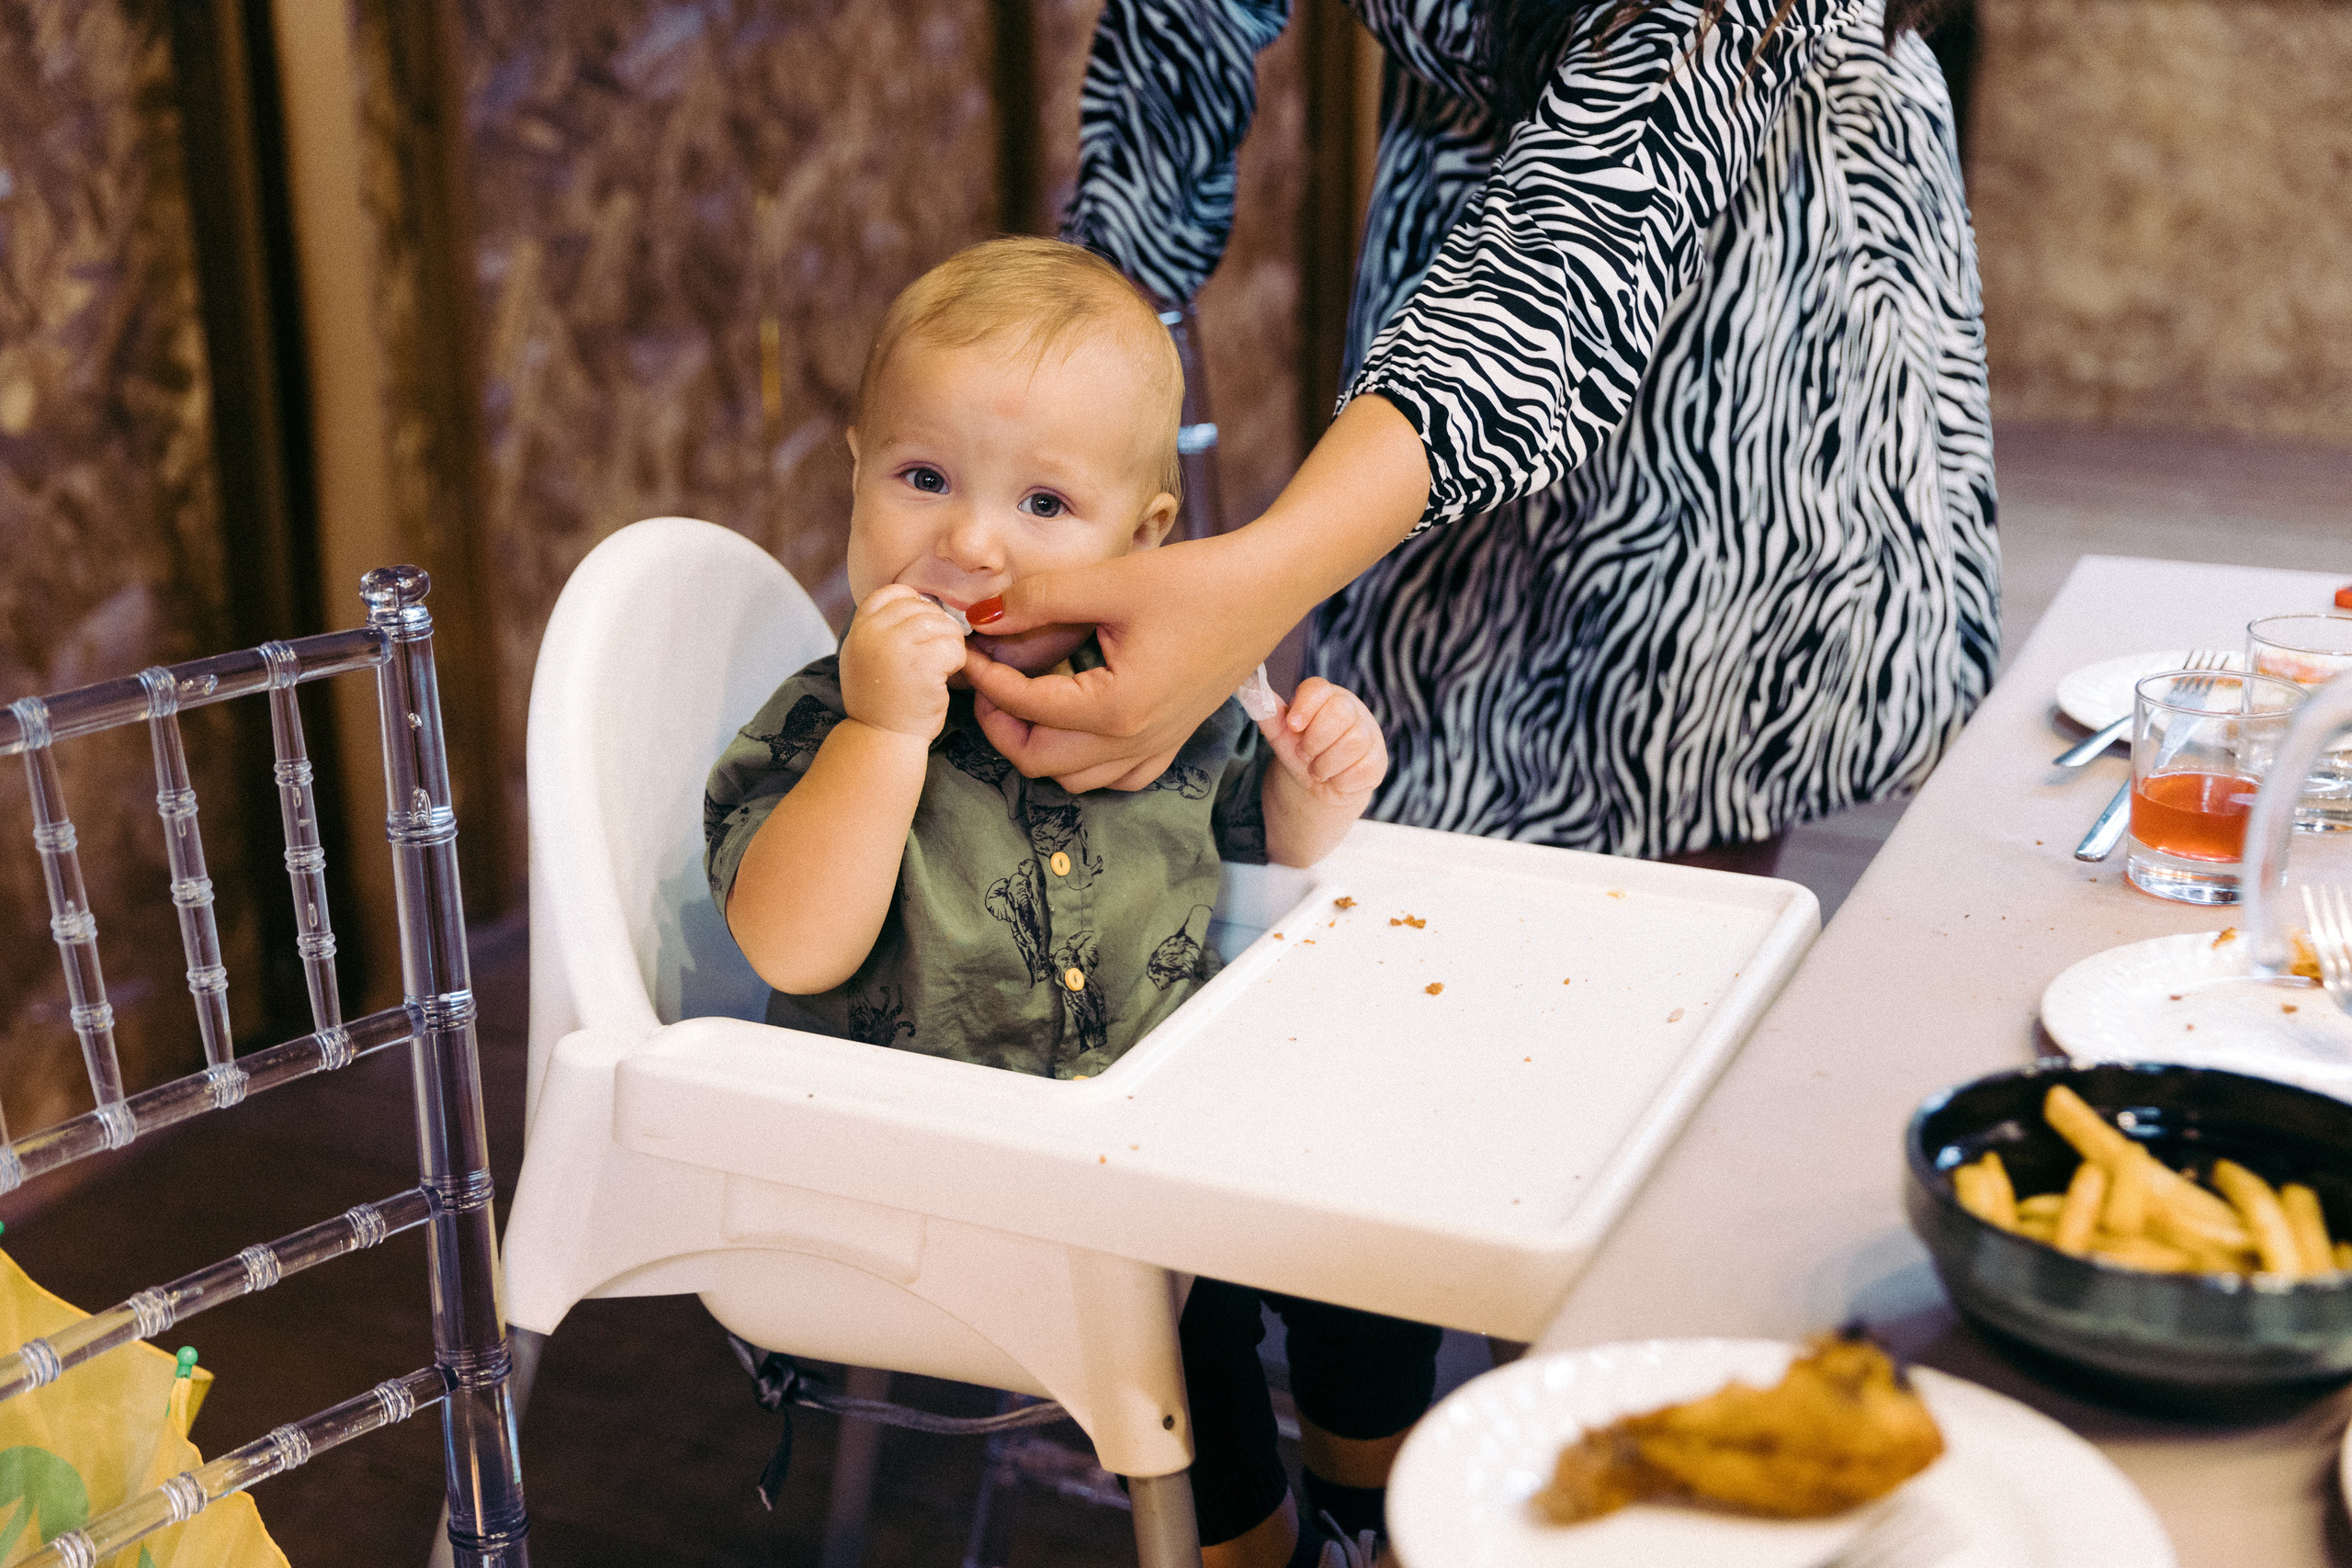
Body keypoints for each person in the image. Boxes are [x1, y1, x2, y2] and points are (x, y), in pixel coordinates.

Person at [703, 239, 1433, 1566]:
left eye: (1044, 502)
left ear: (1144, 539)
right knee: (1182, 1320)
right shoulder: (825, 724)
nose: (971, 540)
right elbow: (791, 943)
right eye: (923, 478)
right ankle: (1253, 1544)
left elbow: (1242, 866)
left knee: (1369, 1227)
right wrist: (881, 737)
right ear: (856, 474)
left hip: (1163, 1130)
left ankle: (1372, 1507)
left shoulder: (1160, 697)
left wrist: (1308, 796)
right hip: (947, 1177)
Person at [960, 0, 1999, 875]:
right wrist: (1083, 365)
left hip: (1737, 345)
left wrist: (1258, 582)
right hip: (1440, 292)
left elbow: (1595, 210)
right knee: (1413, 786)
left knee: (1654, 827)